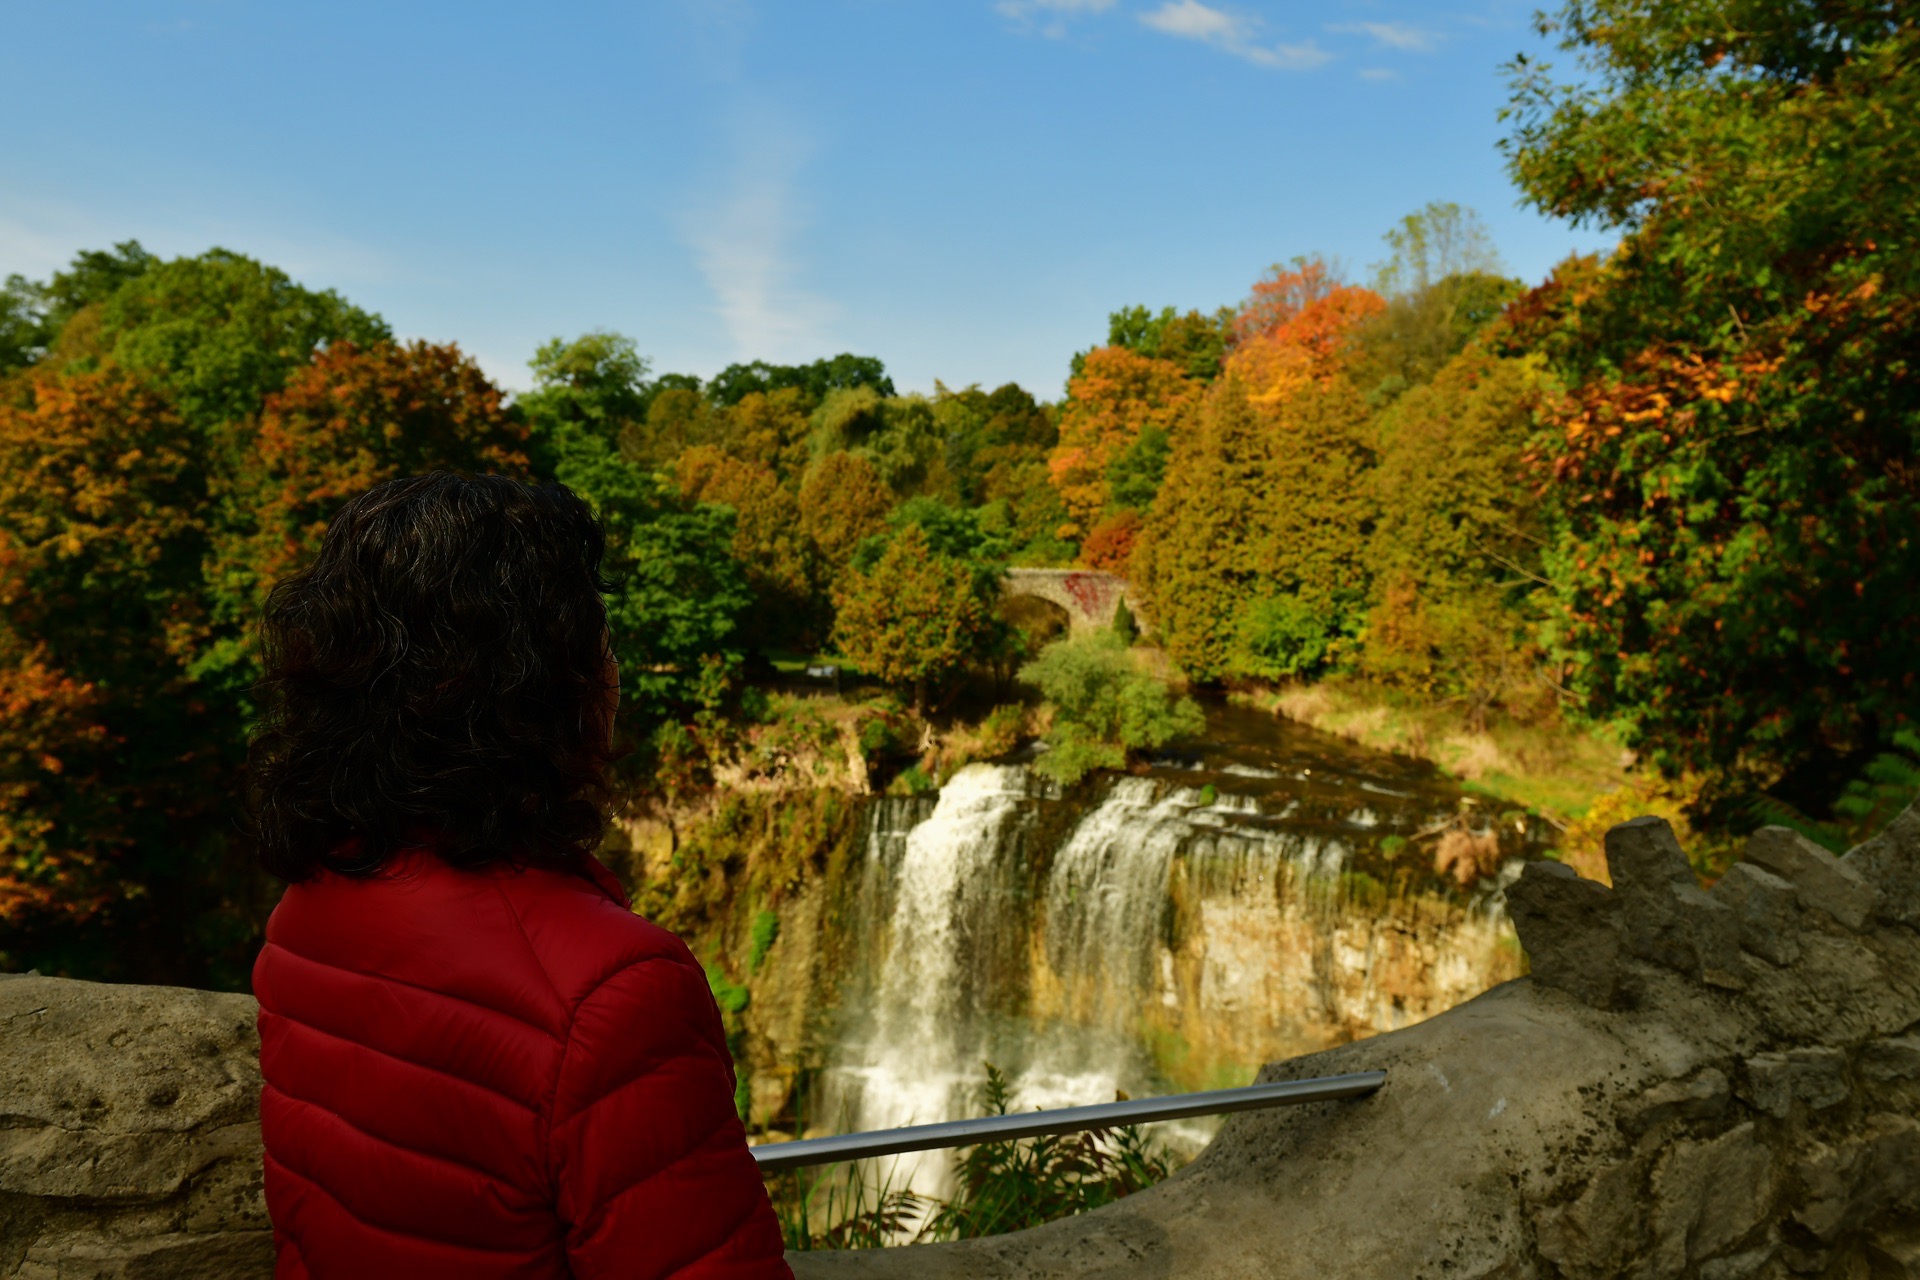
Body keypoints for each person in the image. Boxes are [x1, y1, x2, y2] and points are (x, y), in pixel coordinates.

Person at [248, 472, 792, 1279]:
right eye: (600, 645)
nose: (614, 673)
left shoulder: (309, 907)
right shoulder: (613, 994)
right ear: (549, 691)